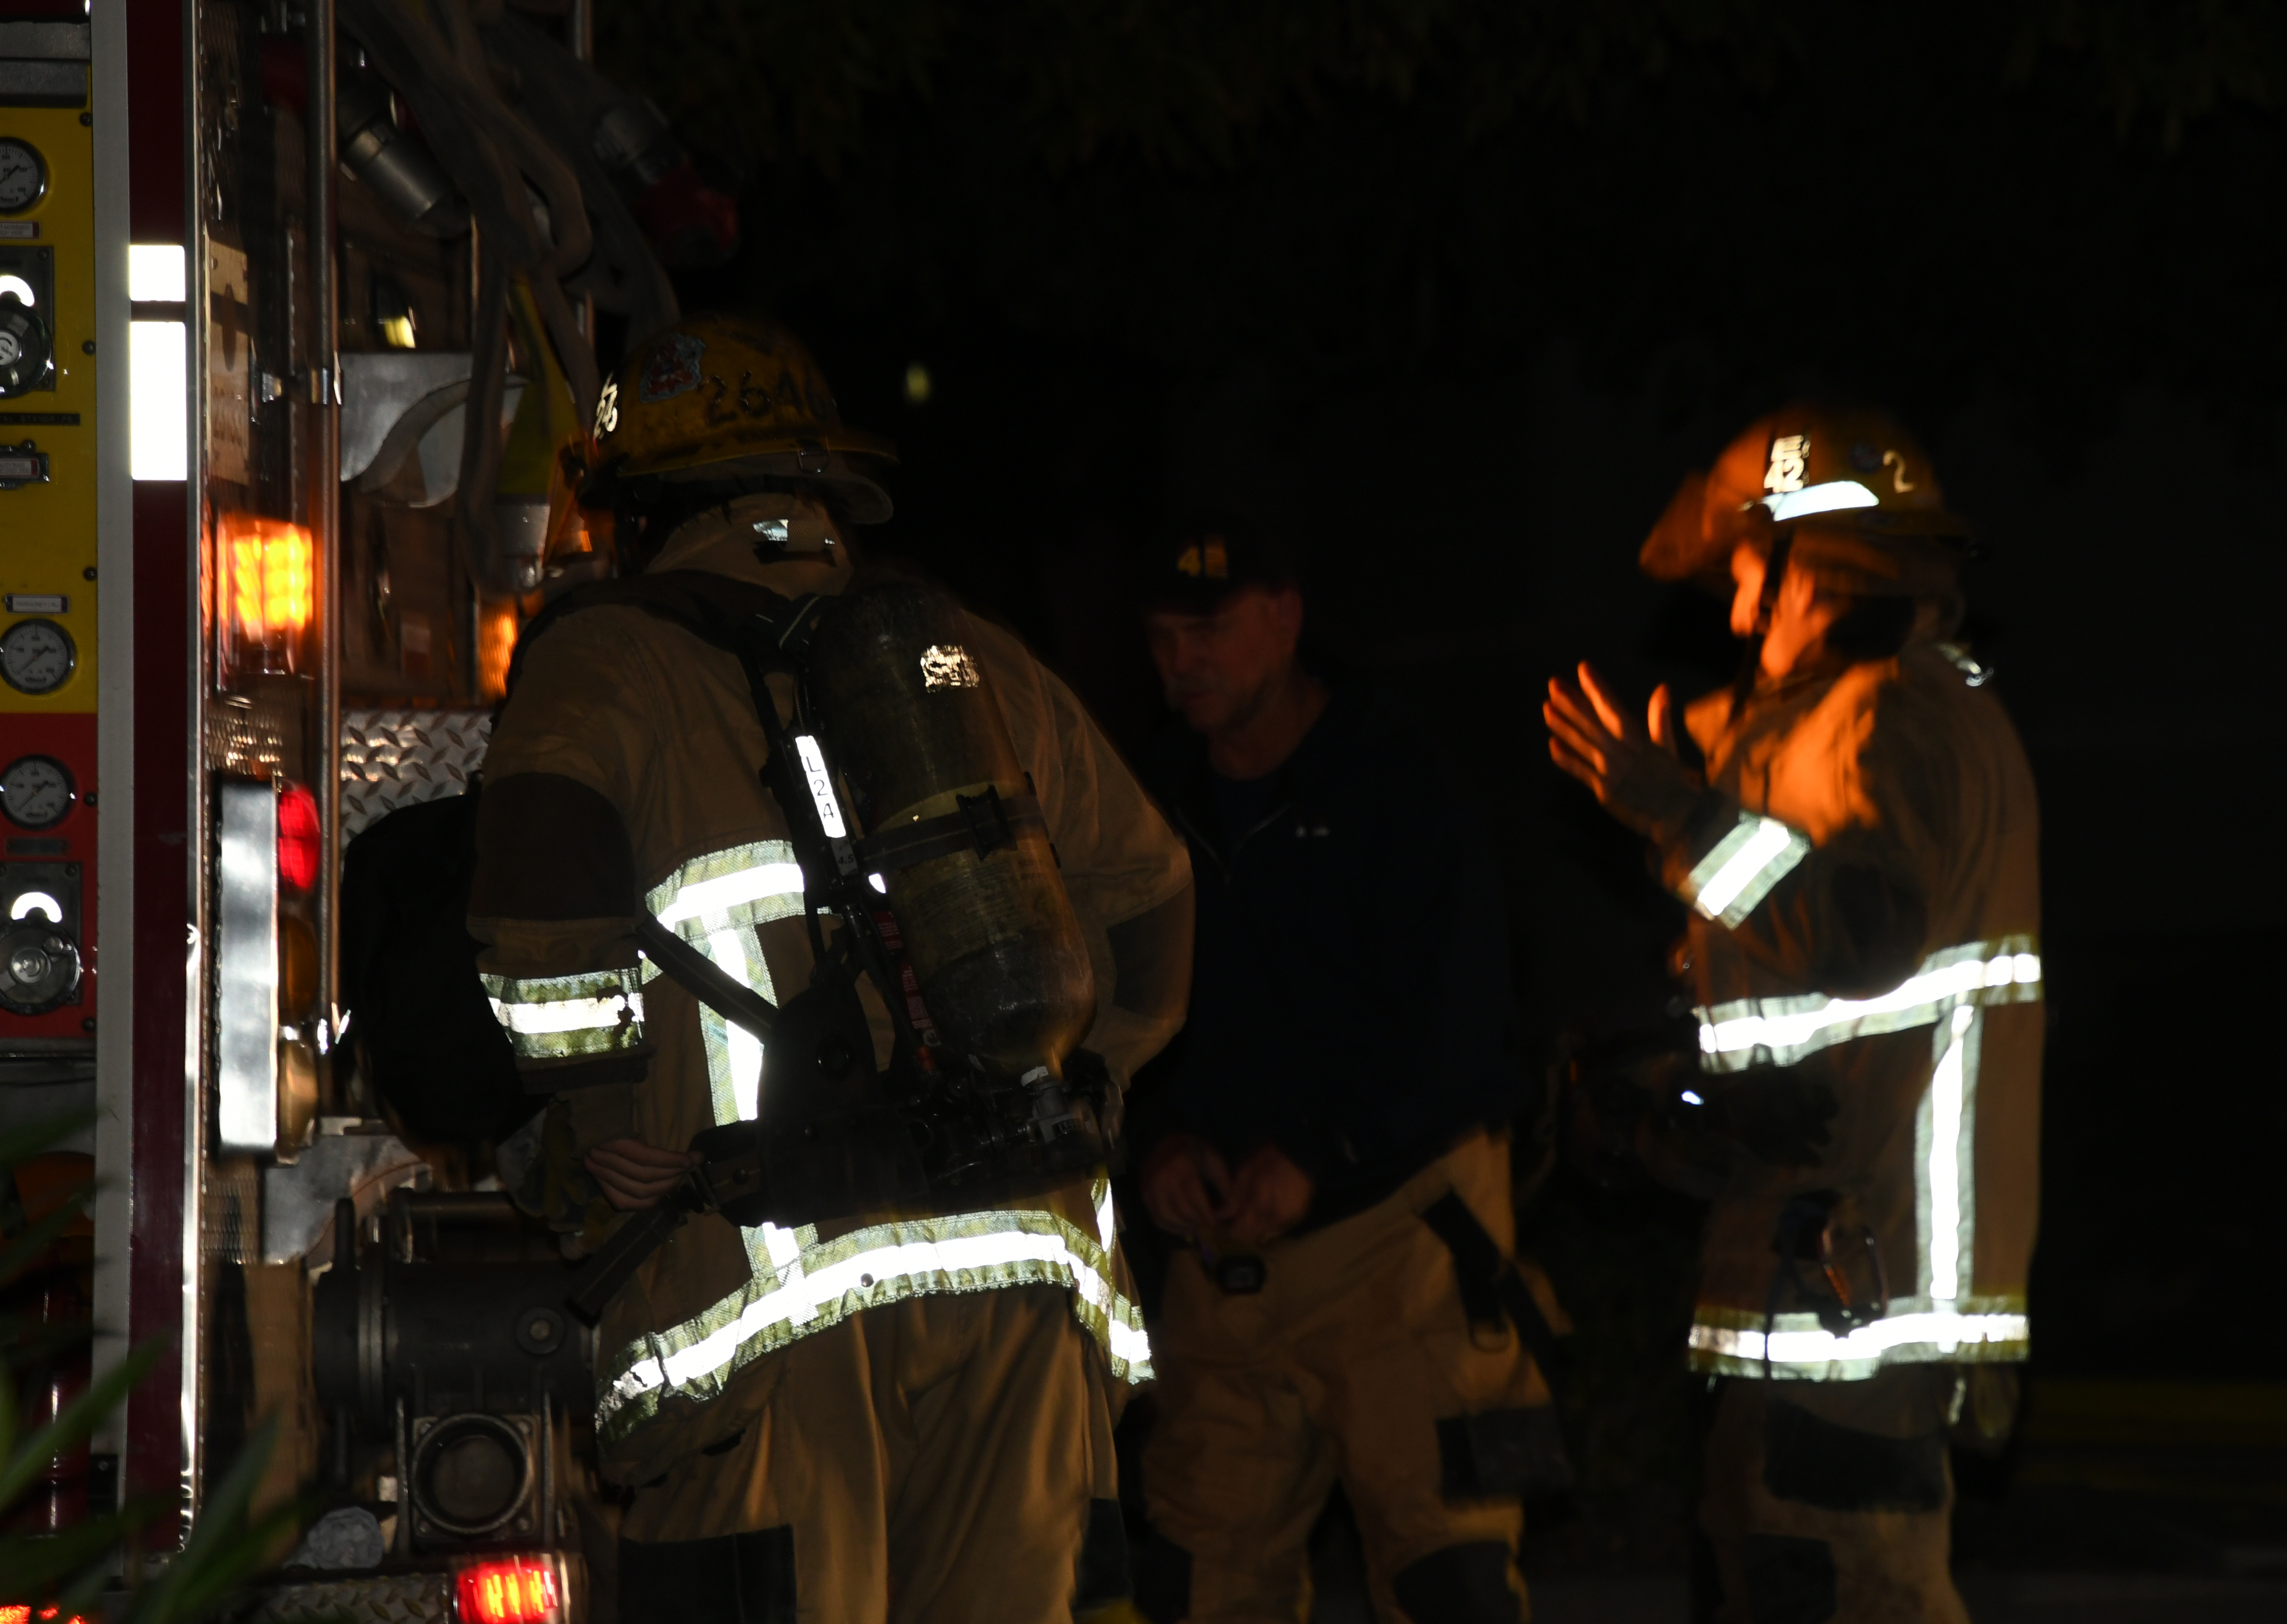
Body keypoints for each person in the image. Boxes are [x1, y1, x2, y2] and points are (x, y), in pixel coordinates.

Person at [468, 314, 1194, 1623]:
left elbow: (541, 929)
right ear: (821, 484)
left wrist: (596, 1127)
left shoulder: (599, 662)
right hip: (1026, 1263)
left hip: (771, 1300)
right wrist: (1077, 1076)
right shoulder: (972, 659)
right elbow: (1149, 899)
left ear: (641, 506)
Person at [1543, 405, 2040, 1624]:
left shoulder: (1888, 717)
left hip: (1858, 1292)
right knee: (1784, 1570)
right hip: (1821, 1267)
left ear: (1809, 569)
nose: (1733, 614)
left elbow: (1861, 941)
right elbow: (1818, 996)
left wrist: (1674, 813)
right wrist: (1688, 1102)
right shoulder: (1861, 716)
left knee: (1849, 1586)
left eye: (1745, 576)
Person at [1126, 518, 1561, 1624]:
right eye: (1163, 636)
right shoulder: (1146, 800)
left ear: (1285, 619)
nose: (1183, 660)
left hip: (1399, 1241)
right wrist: (1159, 1140)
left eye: (1209, 630)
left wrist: (1329, 1152)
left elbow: (1466, 1025)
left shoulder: (1400, 783)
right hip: (1225, 1263)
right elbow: (1118, 1008)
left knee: (1449, 1577)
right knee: (1199, 1584)